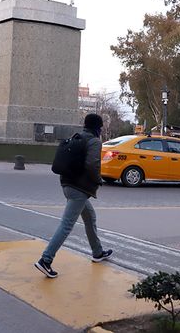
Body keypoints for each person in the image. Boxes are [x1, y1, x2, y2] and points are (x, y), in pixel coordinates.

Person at [35, 113, 113, 278]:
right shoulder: (94, 141)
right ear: (98, 128)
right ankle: (46, 260)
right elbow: (92, 164)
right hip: (79, 189)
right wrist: (98, 180)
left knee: (90, 217)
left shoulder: (76, 137)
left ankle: (97, 252)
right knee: (66, 225)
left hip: (67, 184)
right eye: (101, 127)